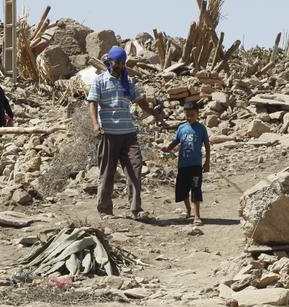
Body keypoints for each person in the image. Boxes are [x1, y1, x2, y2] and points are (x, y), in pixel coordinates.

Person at [87, 45, 163, 221]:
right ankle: (105, 210)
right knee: (107, 173)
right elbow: (92, 104)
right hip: (108, 133)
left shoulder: (128, 82)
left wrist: (155, 114)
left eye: (123, 63)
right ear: (110, 61)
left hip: (128, 134)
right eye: (118, 62)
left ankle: (136, 209)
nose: (121, 66)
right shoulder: (99, 81)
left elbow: (141, 102)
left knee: (135, 169)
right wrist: (95, 125)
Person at [161, 101, 211, 226]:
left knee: (195, 188)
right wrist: (168, 148)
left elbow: (207, 145)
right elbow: (176, 141)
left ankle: (197, 216)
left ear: (197, 114)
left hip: (195, 166)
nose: (189, 117)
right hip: (183, 165)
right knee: (182, 189)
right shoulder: (181, 128)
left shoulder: (201, 129)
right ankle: (188, 209)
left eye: (192, 115)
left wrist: (207, 162)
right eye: (187, 115)